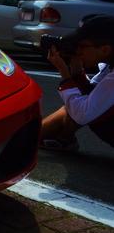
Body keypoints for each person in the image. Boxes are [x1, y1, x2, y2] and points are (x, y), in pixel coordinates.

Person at [40, 15, 114, 151]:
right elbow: (90, 93)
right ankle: (59, 139)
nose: (78, 51)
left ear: (105, 49)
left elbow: (83, 113)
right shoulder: (109, 65)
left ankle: (35, 139)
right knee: (76, 104)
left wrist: (64, 72)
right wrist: (76, 65)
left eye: (82, 46)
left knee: (77, 107)